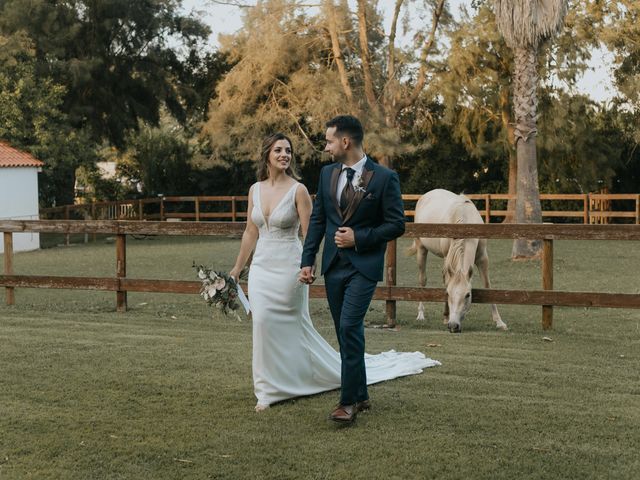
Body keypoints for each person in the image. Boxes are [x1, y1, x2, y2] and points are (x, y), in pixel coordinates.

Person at [230, 130, 439, 415]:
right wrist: (237, 269)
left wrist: (308, 263)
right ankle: (266, 389)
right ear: (267, 154)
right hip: (261, 269)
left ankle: (327, 386)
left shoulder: (299, 190)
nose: (284, 155)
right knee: (262, 324)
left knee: (298, 325)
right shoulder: (256, 189)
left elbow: (310, 230)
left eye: (288, 150)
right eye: (278, 150)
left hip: (289, 267)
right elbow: (250, 232)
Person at [300, 115, 421, 424]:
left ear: (345, 142)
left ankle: (347, 403)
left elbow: (396, 224)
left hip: (364, 267)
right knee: (346, 333)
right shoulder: (327, 174)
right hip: (333, 267)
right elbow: (318, 220)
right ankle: (362, 394)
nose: (325, 147)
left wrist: (359, 238)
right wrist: (307, 259)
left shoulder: (384, 178)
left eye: (328, 141)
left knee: (349, 327)